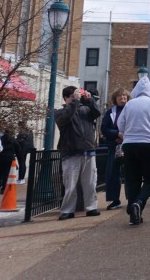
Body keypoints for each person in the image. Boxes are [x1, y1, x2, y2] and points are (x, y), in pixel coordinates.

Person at [116, 75, 150, 226]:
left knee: (133, 179)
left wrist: (128, 134)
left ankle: (133, 215)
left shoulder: (129, 104)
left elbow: (120, 125)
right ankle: (139, 202)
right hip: (149, 145)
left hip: (130, 145)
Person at [54, 86, 102, 220]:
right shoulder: (60, 112)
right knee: (70, 184)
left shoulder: (85, 110)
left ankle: (91, 207)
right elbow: (65, 118)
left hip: (88, 150)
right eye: (71, 96)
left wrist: (90, 100)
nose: (75, 99)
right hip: (71, 152)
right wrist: (74, 102)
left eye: (76, 96)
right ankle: (68, 210)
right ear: (65, 98)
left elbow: (97, 113)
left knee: (90, 182)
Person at [101, 88, 129, 210]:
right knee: (112, 173)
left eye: (124, 96)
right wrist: (117, 134)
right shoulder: (110, 112)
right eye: (119, 96)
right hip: (114, 146)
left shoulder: (131, 110)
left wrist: (125, 136)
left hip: (129, 146)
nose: (122, 98)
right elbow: (104, 128)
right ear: (115, 98)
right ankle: (114, 200)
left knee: (130, 173)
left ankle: (132, 198)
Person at [0, 130, 19, 194]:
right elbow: (18, 148)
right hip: (9, 158)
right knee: (6, 174)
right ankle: (4, 188)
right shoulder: (12, 139)